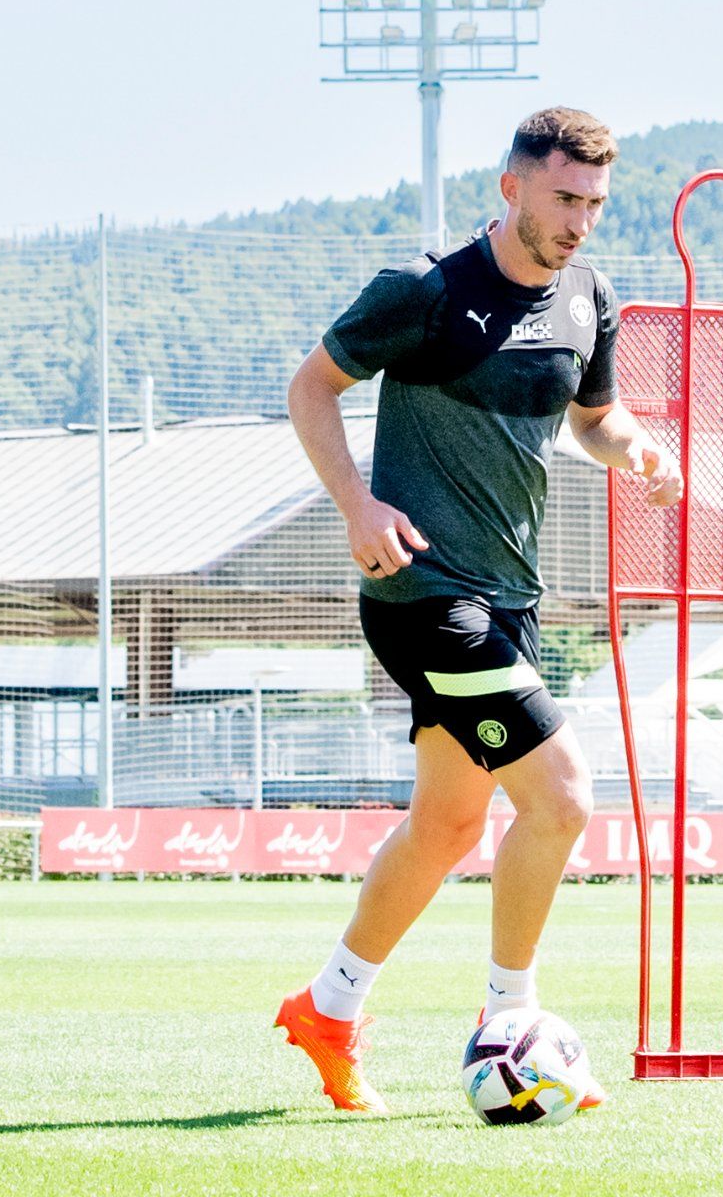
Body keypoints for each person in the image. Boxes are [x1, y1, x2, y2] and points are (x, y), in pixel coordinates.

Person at [273, 104, 678, 1113]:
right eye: (563, 198)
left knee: (451, 824)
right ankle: (511, 1018)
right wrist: (357, 504)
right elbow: (311, 388)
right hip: (422, 591)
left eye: (594, 203)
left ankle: (327, 1006)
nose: (581, 221)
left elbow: (591, 417)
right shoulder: (425, 292)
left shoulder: (590, 298)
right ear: (511, 188)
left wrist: (633, 448)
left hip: (509, 597)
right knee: (563, 799)